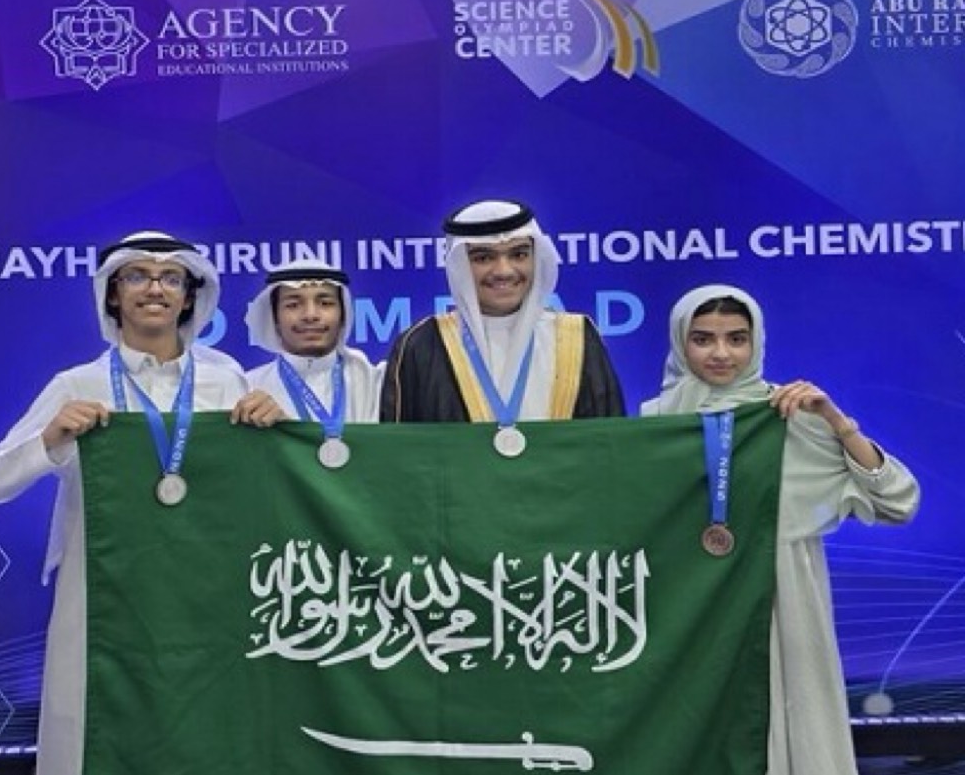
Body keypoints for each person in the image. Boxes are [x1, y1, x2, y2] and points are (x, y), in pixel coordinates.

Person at [0, 230, 282, 775]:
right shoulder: (78, 383)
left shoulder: (225, 379)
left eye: (170, 278)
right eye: (137, 276)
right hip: (102, 596)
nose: (154, 289)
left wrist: (274, 428)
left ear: (189, 296)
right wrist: (50, 439)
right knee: (93, 734)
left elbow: (262, 488)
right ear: (113, 294)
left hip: (207, 596)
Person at [640, 284, 920, 775]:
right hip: (690, 604)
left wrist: (836, 422)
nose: (721, 353)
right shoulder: (654, 423)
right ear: (680, 342)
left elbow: (898, 502)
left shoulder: (790, 413)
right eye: (703, 339)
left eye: (737, 338)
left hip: (781, 597)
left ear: (756, 343)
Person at [380, 199, 625, 433]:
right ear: (459, 266)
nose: (504, 271)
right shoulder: (422, 344)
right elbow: (401, 450)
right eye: (484, 258)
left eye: (519, 255)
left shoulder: (577, 336)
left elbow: (610, 441)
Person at [243, 258, 384, 425]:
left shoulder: (376, 383)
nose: (310, 315)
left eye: (325, 303)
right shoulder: (249, 389)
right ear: (275, 319)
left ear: (343, 316)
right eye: (293, 305)